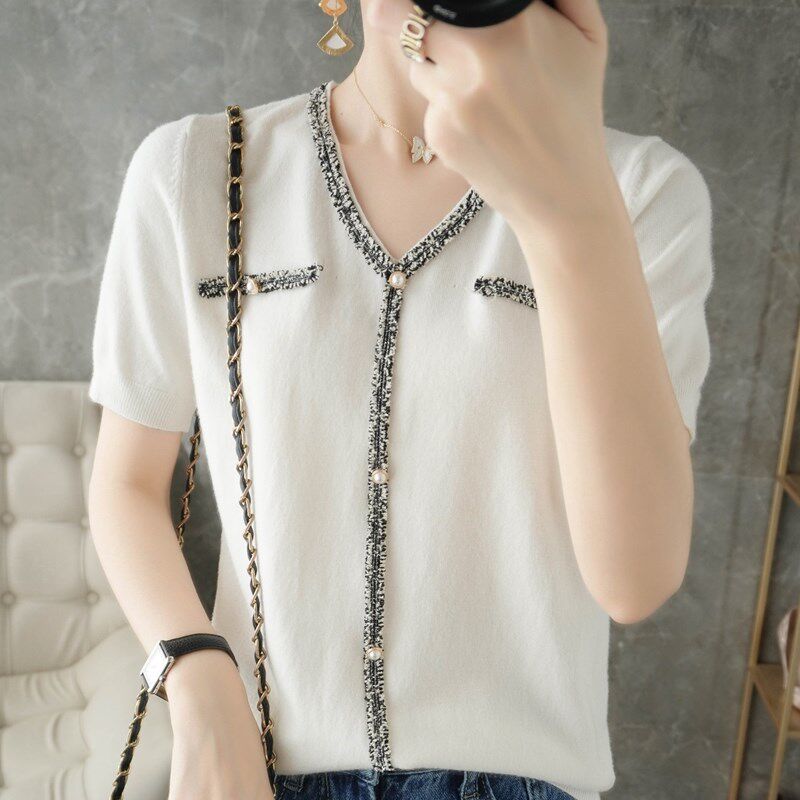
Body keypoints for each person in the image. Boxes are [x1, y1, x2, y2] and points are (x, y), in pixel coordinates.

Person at [86, 0, 714, 799]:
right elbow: (127, 484)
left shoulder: (640, 192)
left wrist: (568, 202)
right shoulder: (199, 169)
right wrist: (199, 683)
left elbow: (634, 579)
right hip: (256, 766)